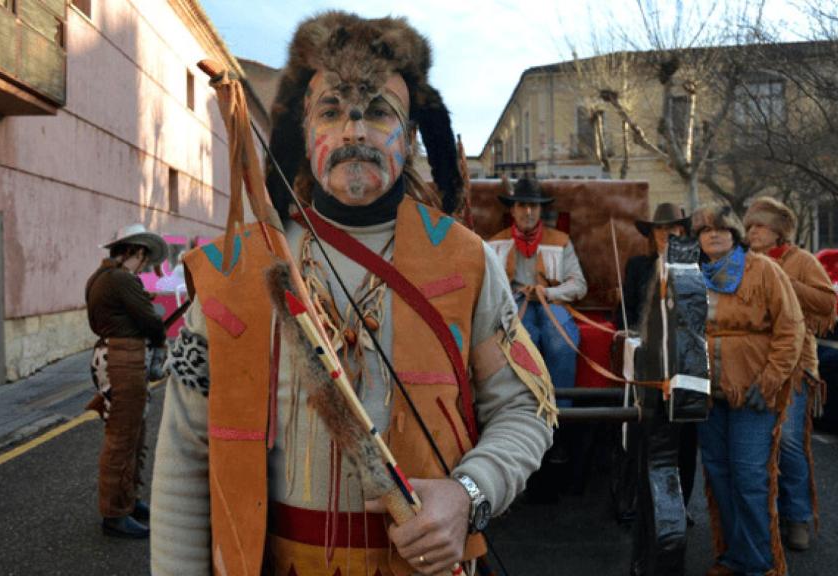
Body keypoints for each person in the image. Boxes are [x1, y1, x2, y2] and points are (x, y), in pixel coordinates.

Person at [150, 12, 555, 576]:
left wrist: (468, 495)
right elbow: (185, 454)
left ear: (410, 134)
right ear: (305, 131)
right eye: (332, 111)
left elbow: (524, 409)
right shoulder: (236, 270)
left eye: (379, 112)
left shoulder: (469, 262)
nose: (354, 132)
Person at [691, 205, 804, 576]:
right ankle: (733, 556)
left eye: (721, 227)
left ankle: (758, 565)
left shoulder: (764, 271)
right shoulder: (689, 275)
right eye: (705, 229)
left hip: (753, 393)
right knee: (719, 478)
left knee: (750, 479)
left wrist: (770, 380)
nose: (714, 234)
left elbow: (791, 330)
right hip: (707, 395)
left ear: (735, 232)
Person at [745, 197, 837, 552]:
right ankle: (765, 517)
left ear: (777, 231)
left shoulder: (801, 261)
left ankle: (797, 517)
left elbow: (828, 303)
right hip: (753, 365)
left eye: (759, 226)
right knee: (756, 446)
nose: (752, 231)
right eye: (749, 226)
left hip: (795, 366)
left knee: (789, 441)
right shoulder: (746, 262)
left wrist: (782, 280)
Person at [623, 203, 700, 575]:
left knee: (684, 436)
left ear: (684, 233)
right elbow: (625, 308)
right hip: (645, 356)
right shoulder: (638, 266)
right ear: (652, 235)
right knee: (644, 434)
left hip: (685, 361)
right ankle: (643, 503)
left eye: (674, 229)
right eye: (660, 229)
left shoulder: (694, 267)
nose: (667, 235)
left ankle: (679, 504)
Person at [85, 223, 168, 538]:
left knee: (132, 433)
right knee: (122, 439)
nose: (144, 266)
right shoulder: (122, 279)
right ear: (136, 251)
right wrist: (160, 338)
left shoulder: (100, 278)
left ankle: (128, 501)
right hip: (125, 358)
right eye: (143, 259)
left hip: (113, 354)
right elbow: (150, 319)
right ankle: (115, 514)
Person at [488, 178, 588, 401]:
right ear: (513, 210)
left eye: (533, 206)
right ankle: (526, 411)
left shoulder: (561, 241)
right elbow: (488, 287)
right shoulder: (495, 244)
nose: (528, 211)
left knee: (560, 343)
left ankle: (562, 413)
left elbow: (579, 285)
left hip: (551, 303)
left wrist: (549, 293)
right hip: (515, 305)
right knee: (524, 341)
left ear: (541, 210)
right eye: (522, 205)